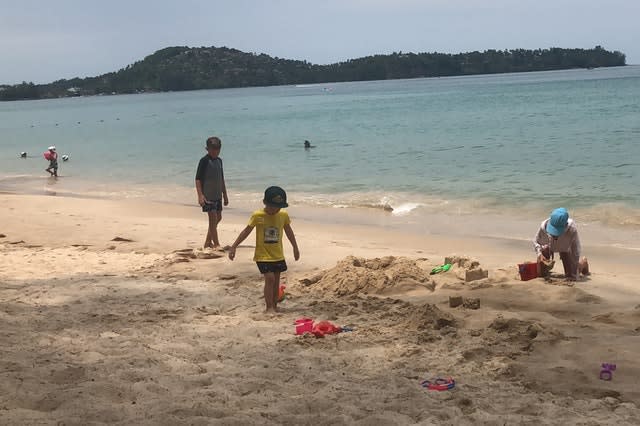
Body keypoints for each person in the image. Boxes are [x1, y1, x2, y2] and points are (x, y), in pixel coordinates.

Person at [228, 186, 300, 313]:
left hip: (278, 254)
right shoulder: (258, 215)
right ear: (265, 203)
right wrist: (234, 246)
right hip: (262, 255)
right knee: (270, 278)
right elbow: (246, 231)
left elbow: (289, 231)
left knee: (276, 280)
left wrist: (295, 247)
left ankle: (275, 305)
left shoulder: (283, 215)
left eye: (278, 207)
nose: (275, 210)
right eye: (272, 206)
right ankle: (269, 307)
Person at [534, 208, 589, 281]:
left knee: (570, 276)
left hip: (565, 249)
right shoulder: (544, 226)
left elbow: (575, 250)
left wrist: (574, 271)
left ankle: (583, 263)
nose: (554, 235)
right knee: (540, 274)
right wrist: (539, 254)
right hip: (549, 246)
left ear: (565, 226)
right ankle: (544, 268)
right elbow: (536, 241)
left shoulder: (571, 230)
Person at [195, 136, 228, 249]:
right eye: (213, 149)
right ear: (207, 149)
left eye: (218, 149)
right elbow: (198, 179)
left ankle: (208, 242)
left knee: (218, 218)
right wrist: (200, 195)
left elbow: (221, 178)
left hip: (218, 195)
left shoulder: (219, 161)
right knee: (212, 219)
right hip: (208, 196)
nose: (215, 152)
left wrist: (225, 194)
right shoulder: (204, 161)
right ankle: (216, 244)